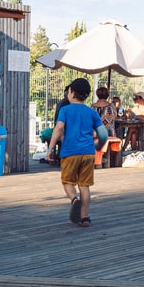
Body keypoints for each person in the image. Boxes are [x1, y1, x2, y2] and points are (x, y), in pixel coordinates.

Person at [45, 78, 102, 227]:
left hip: (70, 152)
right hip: (88, 153)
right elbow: (102, 134)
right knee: (84, 186)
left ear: (72, 93)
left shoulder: (65, 110)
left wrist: (50, 149)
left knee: (67, 182)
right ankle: (85, 217)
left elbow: (58, 128)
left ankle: (74, 200)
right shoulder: (92, 112)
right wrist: (98, 145)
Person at [91, 86, 117, 167]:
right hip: (110, 133)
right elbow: (115, 116)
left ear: (97, 95)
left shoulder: (93, 107)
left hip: (95, 133)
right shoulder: (111, 106)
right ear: (107, 95)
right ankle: (112, 159)